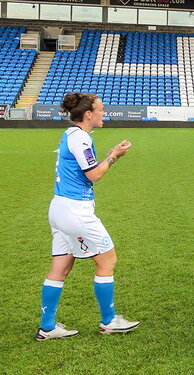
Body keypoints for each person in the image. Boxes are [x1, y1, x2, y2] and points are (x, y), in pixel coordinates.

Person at [36, 93, 139, 340]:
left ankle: (47, 327)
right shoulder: (81, 138)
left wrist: (109, 155)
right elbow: (94, 175)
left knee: (60, 267)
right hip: (76, 211)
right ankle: (109, 321)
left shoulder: (70, 134)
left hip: (59, 208)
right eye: (101, 110)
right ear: (88, 114)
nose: (105, 114)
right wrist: (114, 156)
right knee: (107, 260)